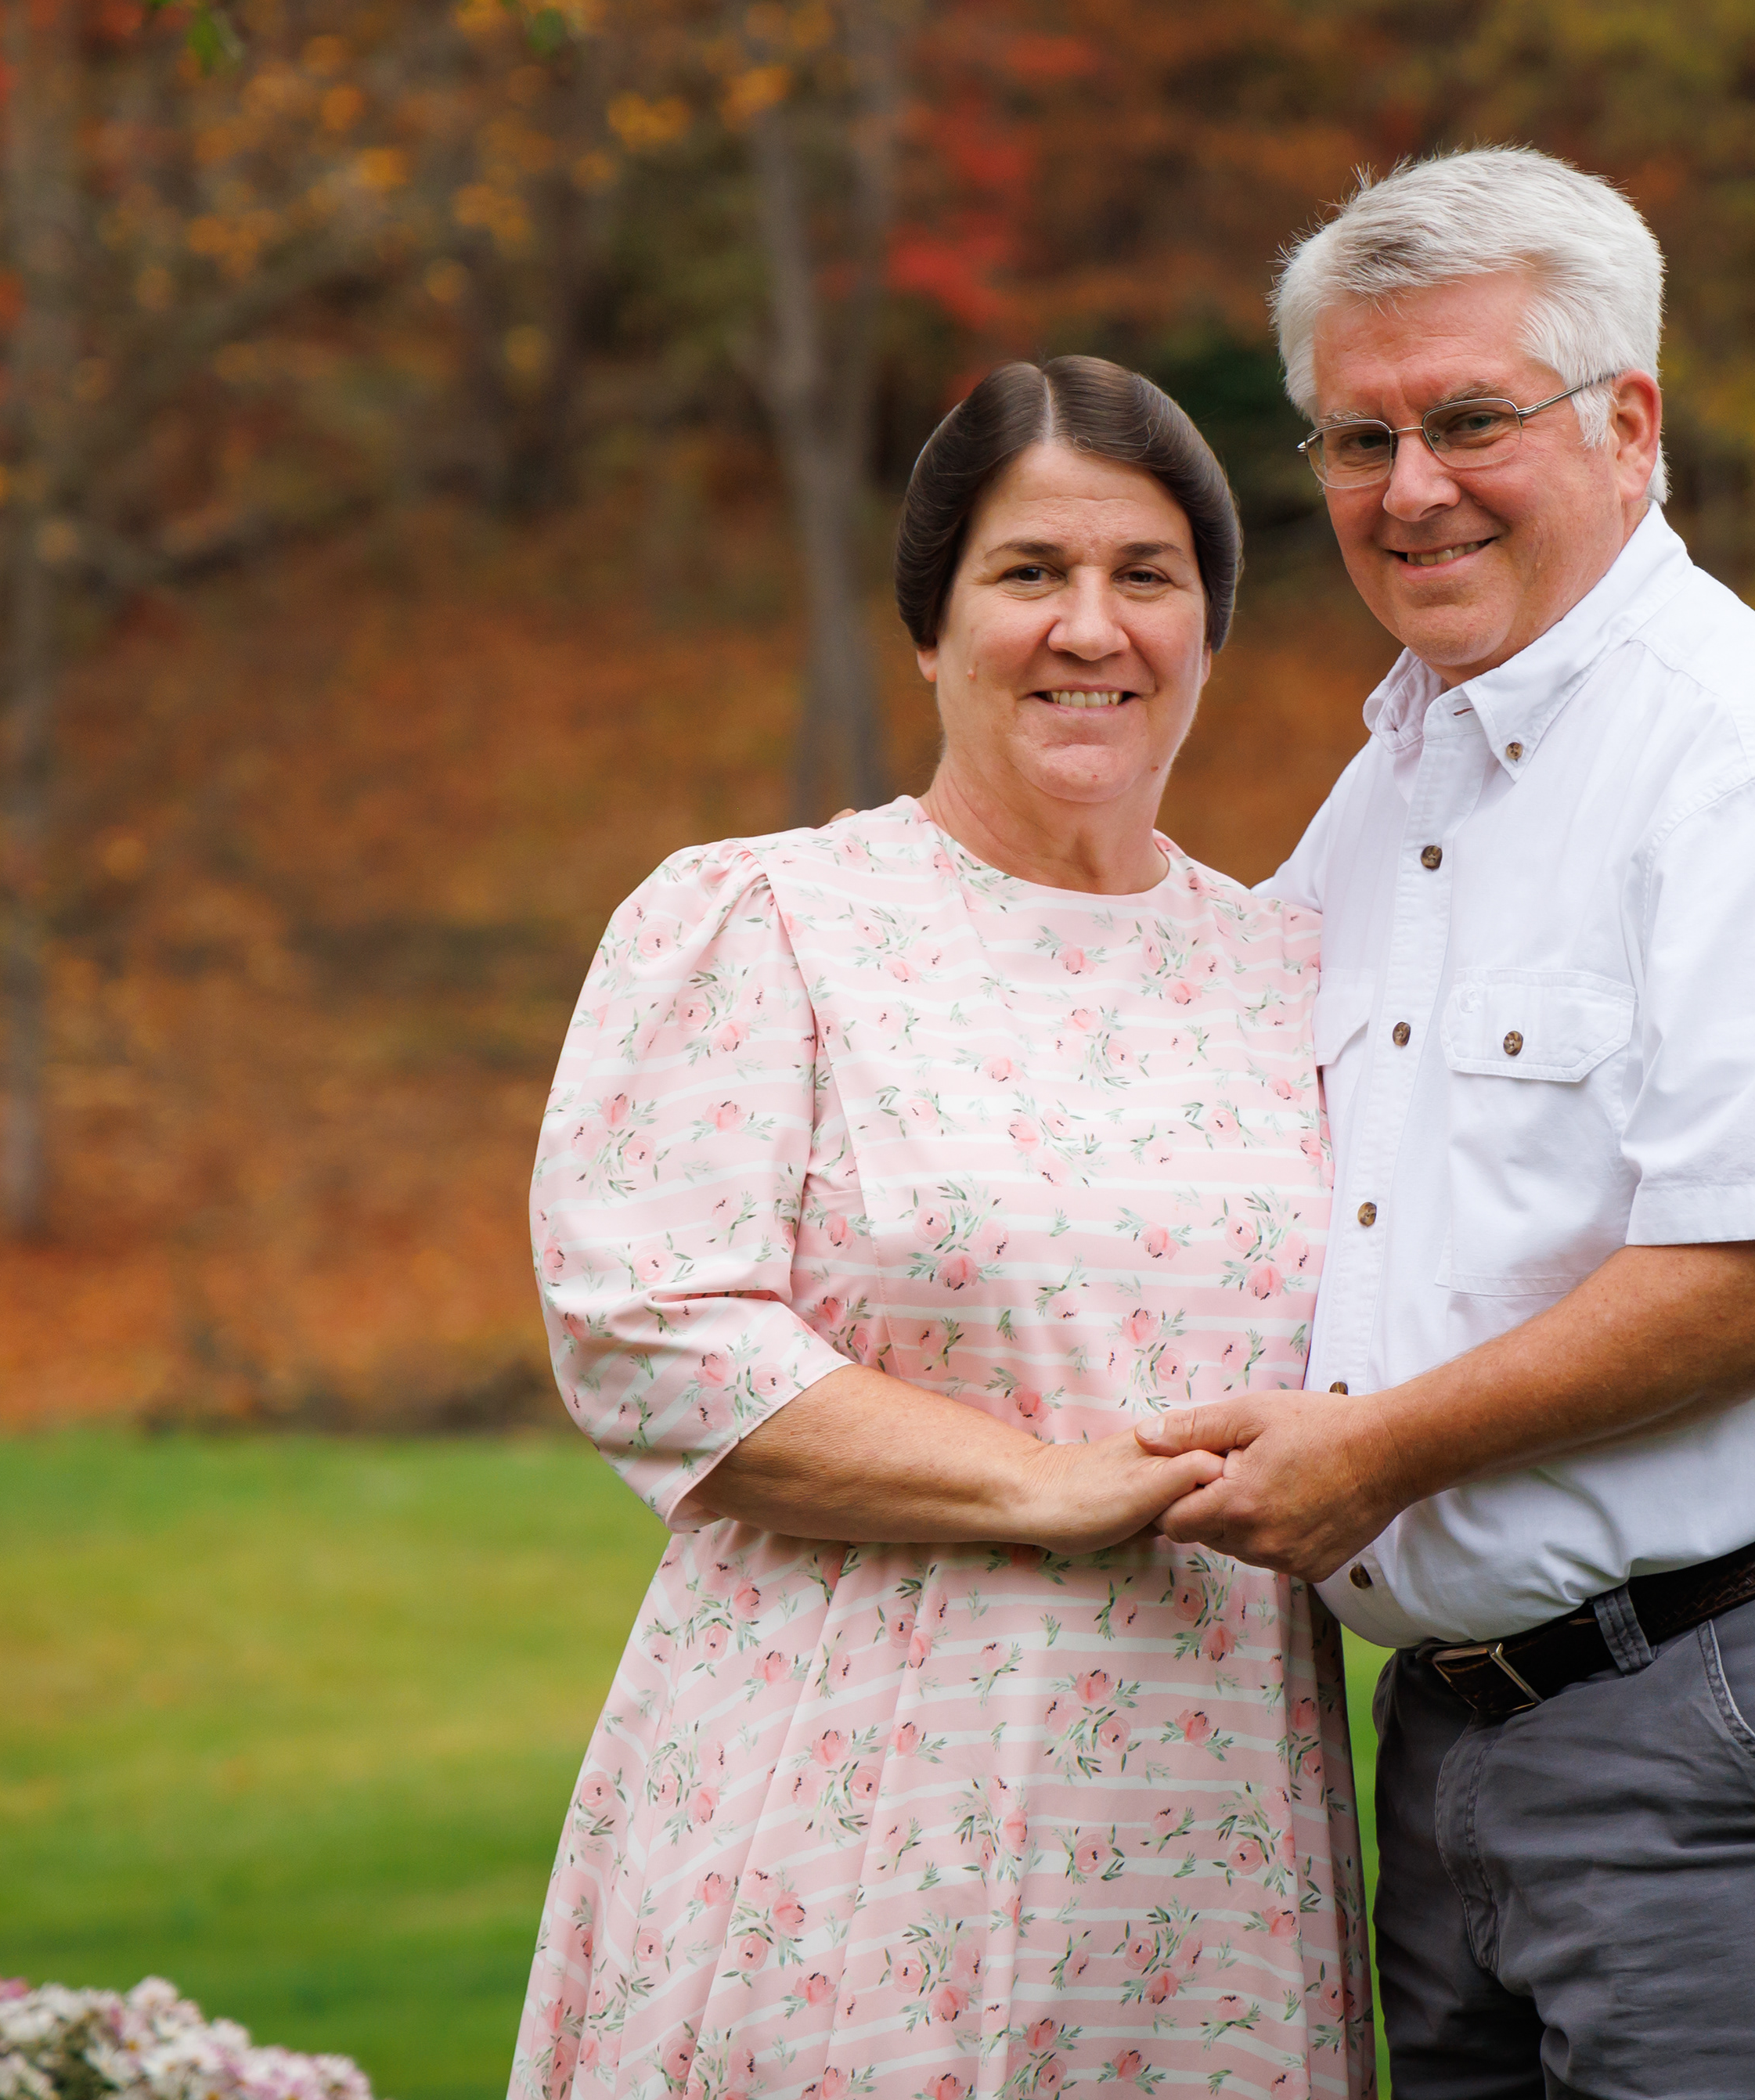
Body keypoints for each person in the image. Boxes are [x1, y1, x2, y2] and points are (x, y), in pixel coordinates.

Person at [1141, 147, 1755, 2098]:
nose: (1410, 488)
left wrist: (1374, 1455)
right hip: (1463, 1734)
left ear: (1627, 424)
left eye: (1471, 420)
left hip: (1754, 1699)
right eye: (1357, 438)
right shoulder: (1395, 790)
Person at [510, 357, 1375, 2100]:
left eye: (1147, 575)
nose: (1090, 628)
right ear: (931, 626)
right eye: (1029, 572)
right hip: (846, 1795)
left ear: (1209, 630)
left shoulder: (1297, 970)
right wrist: (1042, 1483)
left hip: (1207, 1823)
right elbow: (649, 1332)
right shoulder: (770, 921)